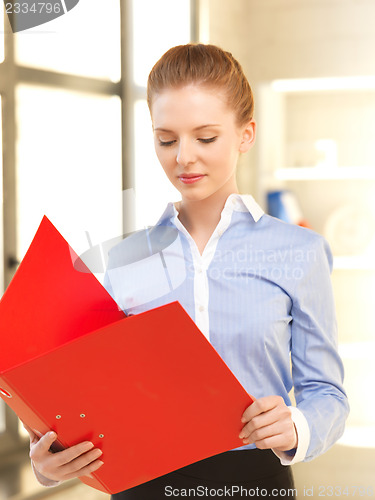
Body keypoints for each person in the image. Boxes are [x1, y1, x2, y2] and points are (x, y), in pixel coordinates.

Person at [25, 43, 349, 499]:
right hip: (139, 482)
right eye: (167, 139)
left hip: (253, 482)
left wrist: (297, 426)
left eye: (206, 137)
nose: (184, 157)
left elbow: (327, 393)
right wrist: (44, 458)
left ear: (246, 134)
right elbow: (82, 392)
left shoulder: (299, 250)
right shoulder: (121, 259)